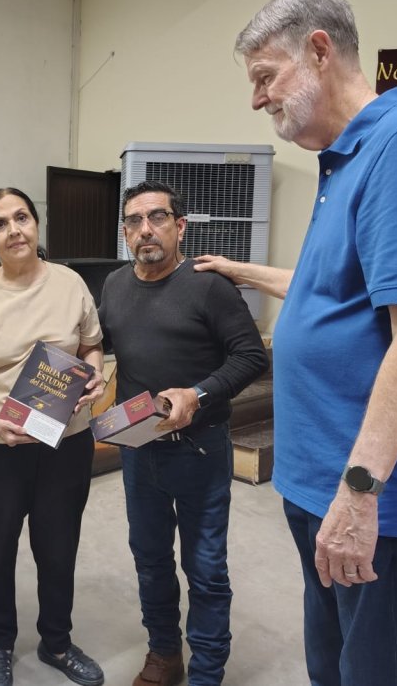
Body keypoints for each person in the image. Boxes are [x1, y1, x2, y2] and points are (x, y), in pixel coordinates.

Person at [195, 0, 397, 685]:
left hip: (368, 494)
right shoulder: (346, 161)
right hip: (314, 478)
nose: (256, 99)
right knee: (331, 663)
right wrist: (235, 268)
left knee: (374, 671)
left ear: (319, 50)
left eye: (265, 76)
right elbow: (329, 290)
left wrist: (358, 493)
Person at [98, 180, 269, 686]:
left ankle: (207, 672)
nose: (145, 229)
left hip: (200, 448)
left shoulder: (209, 286)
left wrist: (200, 393)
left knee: (206, 567)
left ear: (180, 226)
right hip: (138, 446)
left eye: (157, 217)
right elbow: (99, 343)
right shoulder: (114, 285)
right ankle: (164, 654)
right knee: (150, 559)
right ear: (126, 232)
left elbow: (251, 356)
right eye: (134, 221)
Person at [0, 187, 106, 686]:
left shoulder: (70, 283)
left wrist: (95, 377)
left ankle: (57, 642)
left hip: (65, 442)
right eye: (0, 224)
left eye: (21, 218)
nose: (14, 230)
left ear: (36, 224)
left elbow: (92, 346)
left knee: (58, 547)